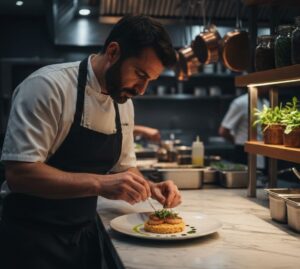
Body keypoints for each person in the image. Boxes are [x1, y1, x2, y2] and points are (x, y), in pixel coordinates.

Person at [0, 15, 181, 269]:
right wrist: (100, 183)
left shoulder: (123, 102)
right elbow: (20, 174)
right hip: (32, 240)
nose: (142, 89)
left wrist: (149, 187)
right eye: (140, 74)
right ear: (113, 52)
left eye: (150, 80)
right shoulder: (47, 87)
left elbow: (124, 167)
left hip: (85, 235)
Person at [219, 90, 269, 168]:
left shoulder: (266, 103)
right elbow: (223, 131)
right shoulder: (240, 103)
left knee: (261, 177)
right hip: (243, 152)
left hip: (262, 152)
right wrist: (238, 142)